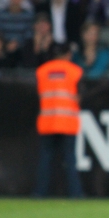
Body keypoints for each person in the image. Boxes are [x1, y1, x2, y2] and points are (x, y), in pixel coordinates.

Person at [33, 42, 84, 198]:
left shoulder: (42, 71)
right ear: (68, 54)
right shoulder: (75, 71)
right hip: (67, 121)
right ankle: (75, 194)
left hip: (47, 121)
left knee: (45, 160)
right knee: (70, 160)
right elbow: (79, 95)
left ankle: (39, 193)